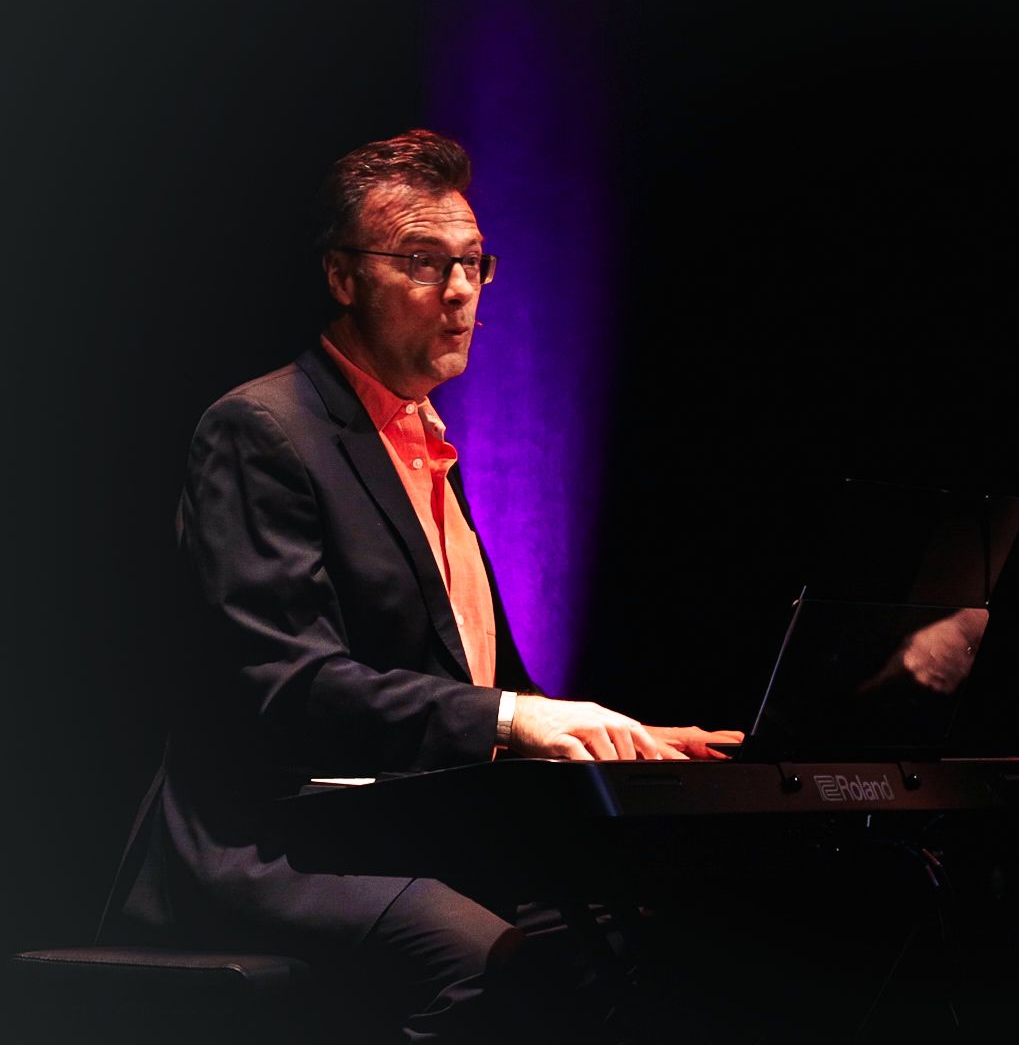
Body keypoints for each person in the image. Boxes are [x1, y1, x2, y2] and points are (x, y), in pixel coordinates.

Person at [112, 129, 740, 1042]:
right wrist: (516, 720)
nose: (458, 290)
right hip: (269, 841)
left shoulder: (422, 441)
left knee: (647, 941)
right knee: (494, 967)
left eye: (472, 263)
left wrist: (611, 739)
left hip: (399, 831)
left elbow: (480, 682)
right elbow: (289, 686)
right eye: (421, 262)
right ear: (342, 276)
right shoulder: (261, 428)